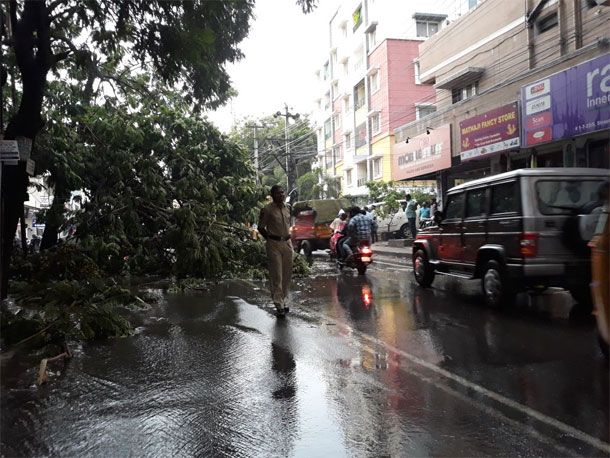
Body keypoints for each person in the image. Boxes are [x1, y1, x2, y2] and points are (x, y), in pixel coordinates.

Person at [258, 185, 293, 318]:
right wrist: (270, 238)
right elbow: (261, 227)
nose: (281, 195)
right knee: (277, 275)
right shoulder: (267, 209)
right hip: (274, 244)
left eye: (282, 192)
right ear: (272, 195)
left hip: (287, 243)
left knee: (287, 274)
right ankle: (279, 305)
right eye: (278, 193)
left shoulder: (288, 208)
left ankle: (284, 300)